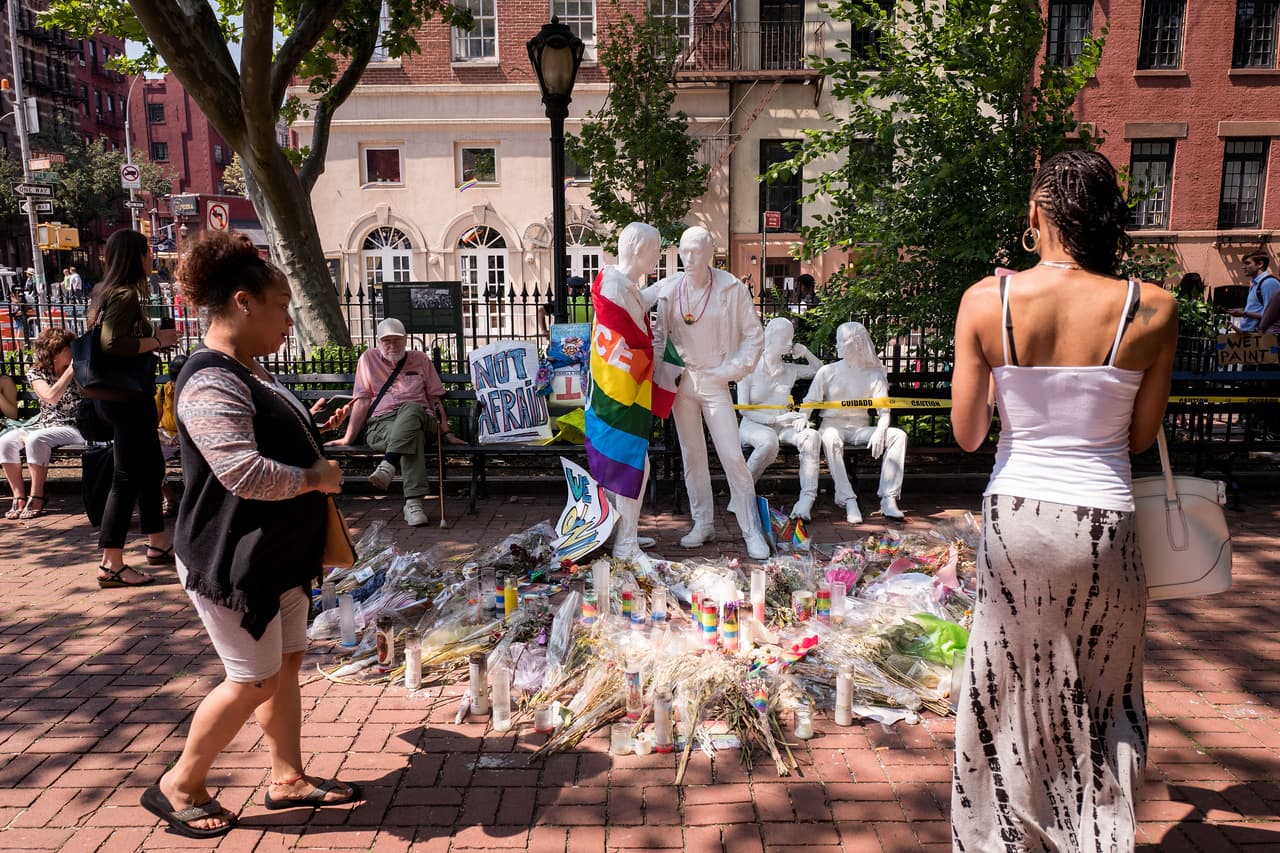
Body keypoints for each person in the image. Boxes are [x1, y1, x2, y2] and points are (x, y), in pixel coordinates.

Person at [949, 150, 1178, 851]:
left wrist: (1008, 383)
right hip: (1103, 520)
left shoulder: (988, 302)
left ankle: (1004, 838)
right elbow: (1140, 438)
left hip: (1017, 517)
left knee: (1002, 691)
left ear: (1037, 217)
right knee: (1104, 692)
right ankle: (1095, 834)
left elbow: (967, 434)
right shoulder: (1154, 308)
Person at [138, 230, 360, 840]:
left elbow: (254, 442)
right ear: (243, 302)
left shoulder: (244, 370)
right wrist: (315, 475)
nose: (289, 320)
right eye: (282, 307)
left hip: (272, 556)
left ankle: (287, 778)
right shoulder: (210, 377)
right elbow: (241, 472)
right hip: (232, 561)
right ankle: (180, 782)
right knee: (253, 677)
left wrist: (306, 428)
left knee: (285, 664)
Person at [646, 225, 770, 560]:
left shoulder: (730, 288)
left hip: (716, 381)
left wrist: (729, 371)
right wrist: (655, 376)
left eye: (696, 251)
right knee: (692, 456)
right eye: (684, 251)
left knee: (731, 455)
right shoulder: (670, 288)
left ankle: (751, 530)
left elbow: (753, 337)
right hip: (681, 383)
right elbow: (659, 337)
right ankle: (703, 523)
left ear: (710, 252)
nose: (689, 258)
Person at [88, 229, 181, 589]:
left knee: (149, 467)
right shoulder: (125, 294)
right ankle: (111, 563)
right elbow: (113, 344)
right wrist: (158, 340)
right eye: (147, 252)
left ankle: (157, 542)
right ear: (136, 257)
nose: (151, 258)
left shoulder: (104, 293)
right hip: (127, 399)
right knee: (126, 476)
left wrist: (149, 341)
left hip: (119, 397)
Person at [329, 317, 465, 526]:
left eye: (397, 340)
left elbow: (435, 400)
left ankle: (388, 465)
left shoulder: (420, 359)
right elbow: (363, 402)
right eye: (387, 341)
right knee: (412, 436)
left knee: (411, 408)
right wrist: (348, 438)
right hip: (382, 425)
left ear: (406, 340)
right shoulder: (368, 360)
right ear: (378, 341)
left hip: (423, 419)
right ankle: (413, 504)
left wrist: (447, 433)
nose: (392, 345)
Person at [584, 222, 664, 561]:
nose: (658, 256)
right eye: (656, 250)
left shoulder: (619, 283)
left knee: (625, 463)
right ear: (637, 249)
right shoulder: (616, 285)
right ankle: (625, 542)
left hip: (616, 392)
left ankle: (623, 531)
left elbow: (636, 315)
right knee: (631, 463)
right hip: (618, 394)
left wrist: (659, 289)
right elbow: (633, 338)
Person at [803, 322, 907, 523]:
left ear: (858, 343)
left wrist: (880, 429)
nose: (838, 345)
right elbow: (810, 401)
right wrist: (801, 419)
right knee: (831, 437)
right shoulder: (827, 371)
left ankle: (889, 498)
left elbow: (884, 411)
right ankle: (848, 498)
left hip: (860, 428)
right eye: (838, 340)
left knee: (898, 435)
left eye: (843, 340)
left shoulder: (874, 374)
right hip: (833, 425)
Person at [736, 317, 823, 519]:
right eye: (786, 337)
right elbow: (743, 410)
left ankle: (805, 501)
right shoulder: (748, 368)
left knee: (812, 437)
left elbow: (821, 372)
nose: (789, 342)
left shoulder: (789, 370)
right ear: (771, 337)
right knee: (768, 442)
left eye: (791, 338)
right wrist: (777, 420)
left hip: (784, 425)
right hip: (754, 424)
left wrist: (807, 353)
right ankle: (741, 496)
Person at [0, 328, 82, 519]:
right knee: (5, 441)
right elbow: (50, 397)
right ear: (55, 351)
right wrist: (68, 373)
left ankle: (37, 496)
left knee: (37, 439)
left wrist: (73, 371)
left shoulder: (81, 369)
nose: (73, 351)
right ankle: (18, 496)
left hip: (76, 425)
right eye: (68, 348)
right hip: (47, 424)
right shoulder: (37, 372)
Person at [1227, 251, 1279, 331]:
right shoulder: (1256, 284)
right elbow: (1259, 309)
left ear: (1260, 264)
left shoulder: (1269, 283)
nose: (1243, 267)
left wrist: (1244, 313)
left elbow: (1270, 315)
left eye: (1247, 263)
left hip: (1263, 337)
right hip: (1252, 336)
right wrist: (1243, 311)